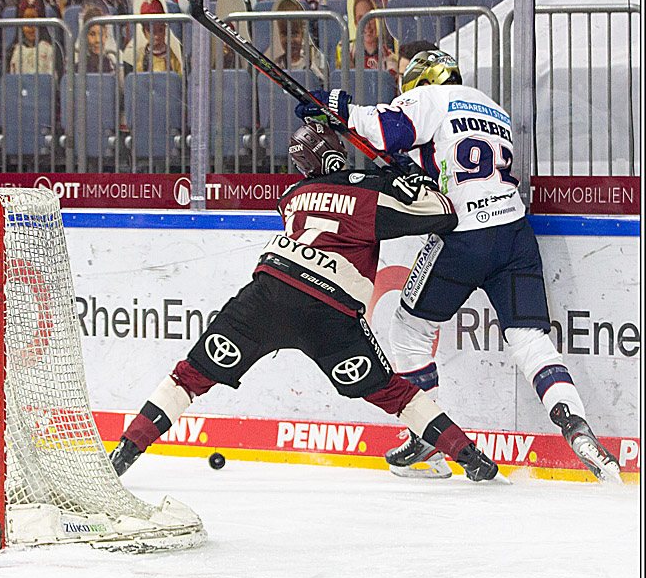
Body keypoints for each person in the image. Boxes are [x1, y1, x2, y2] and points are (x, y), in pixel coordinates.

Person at [110, 119, 503, 484]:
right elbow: (442, 214)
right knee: (390, 392)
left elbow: (330, 198)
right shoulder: (369, 192)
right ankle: (472, 458)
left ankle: (122, 455)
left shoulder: (291, 197)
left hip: (268, 293)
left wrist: (383, 180)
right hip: (329, 311)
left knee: (190, 375)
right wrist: (409, 180)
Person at [293, 51, 621, 483]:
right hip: (515, 233)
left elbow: (387, 129)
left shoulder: (430, 99)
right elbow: (446, 164)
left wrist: (335, 107)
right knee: (530, 340)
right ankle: (576, 426)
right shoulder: (491, 107)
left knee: (409, 329)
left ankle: (427, 439)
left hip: (465, 236)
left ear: (422, 81)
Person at [336, 0, 398, 77]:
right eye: (361, 18)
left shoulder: (390, 58)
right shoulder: (347, 58)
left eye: (370, 17)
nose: (367, 25)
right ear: (356, 23)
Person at [122, 0, 183, 76]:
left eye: (160, 30)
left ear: (165, 30)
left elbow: (178, 77)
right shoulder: (144, 58)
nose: (156, 36)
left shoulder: (171, 56)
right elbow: (139, 80)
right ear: (144, 32)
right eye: (151, 31)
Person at [264, 0, 326, 80]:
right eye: (284, 34)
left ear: (302, 33)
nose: (290, 40)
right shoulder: (277, 65)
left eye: (295, 34)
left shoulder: (313, 63)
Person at [7, 0, 63, 77]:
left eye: (34, 19)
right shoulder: (12, 51)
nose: (30, 26)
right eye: (26, 19)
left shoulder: (52, 49)